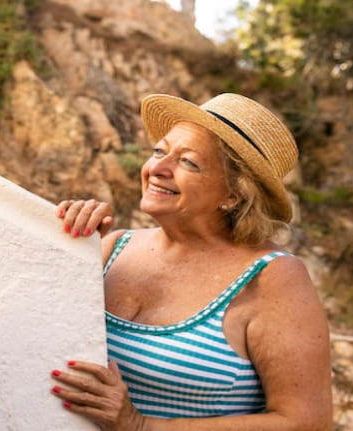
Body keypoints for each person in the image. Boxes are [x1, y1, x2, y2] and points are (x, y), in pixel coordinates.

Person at [49, 93, 332, 430]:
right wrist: (65, 244)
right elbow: (31, 329)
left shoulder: (272, 276)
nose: (158, 168)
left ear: (234, 193)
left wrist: (141, 426)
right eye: (159, 151)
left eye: (188, 162)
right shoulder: (111, 246)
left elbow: (307, 422)